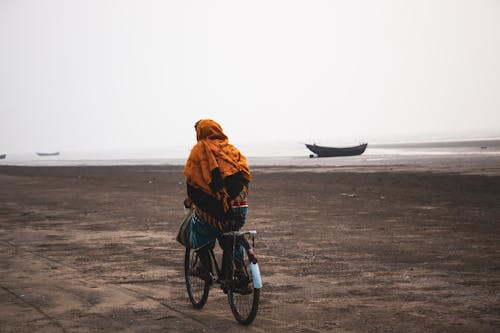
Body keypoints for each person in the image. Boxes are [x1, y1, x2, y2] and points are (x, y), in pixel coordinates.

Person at [183, 119, 251, 287]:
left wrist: (191, 200)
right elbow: (243, 177)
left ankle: (205, 269)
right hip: (240, 208)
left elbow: (194, 184)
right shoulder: (232, 150)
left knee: (197, 228)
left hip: (216, 212)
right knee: (231, 236)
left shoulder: (199, 150)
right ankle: (239, 272)